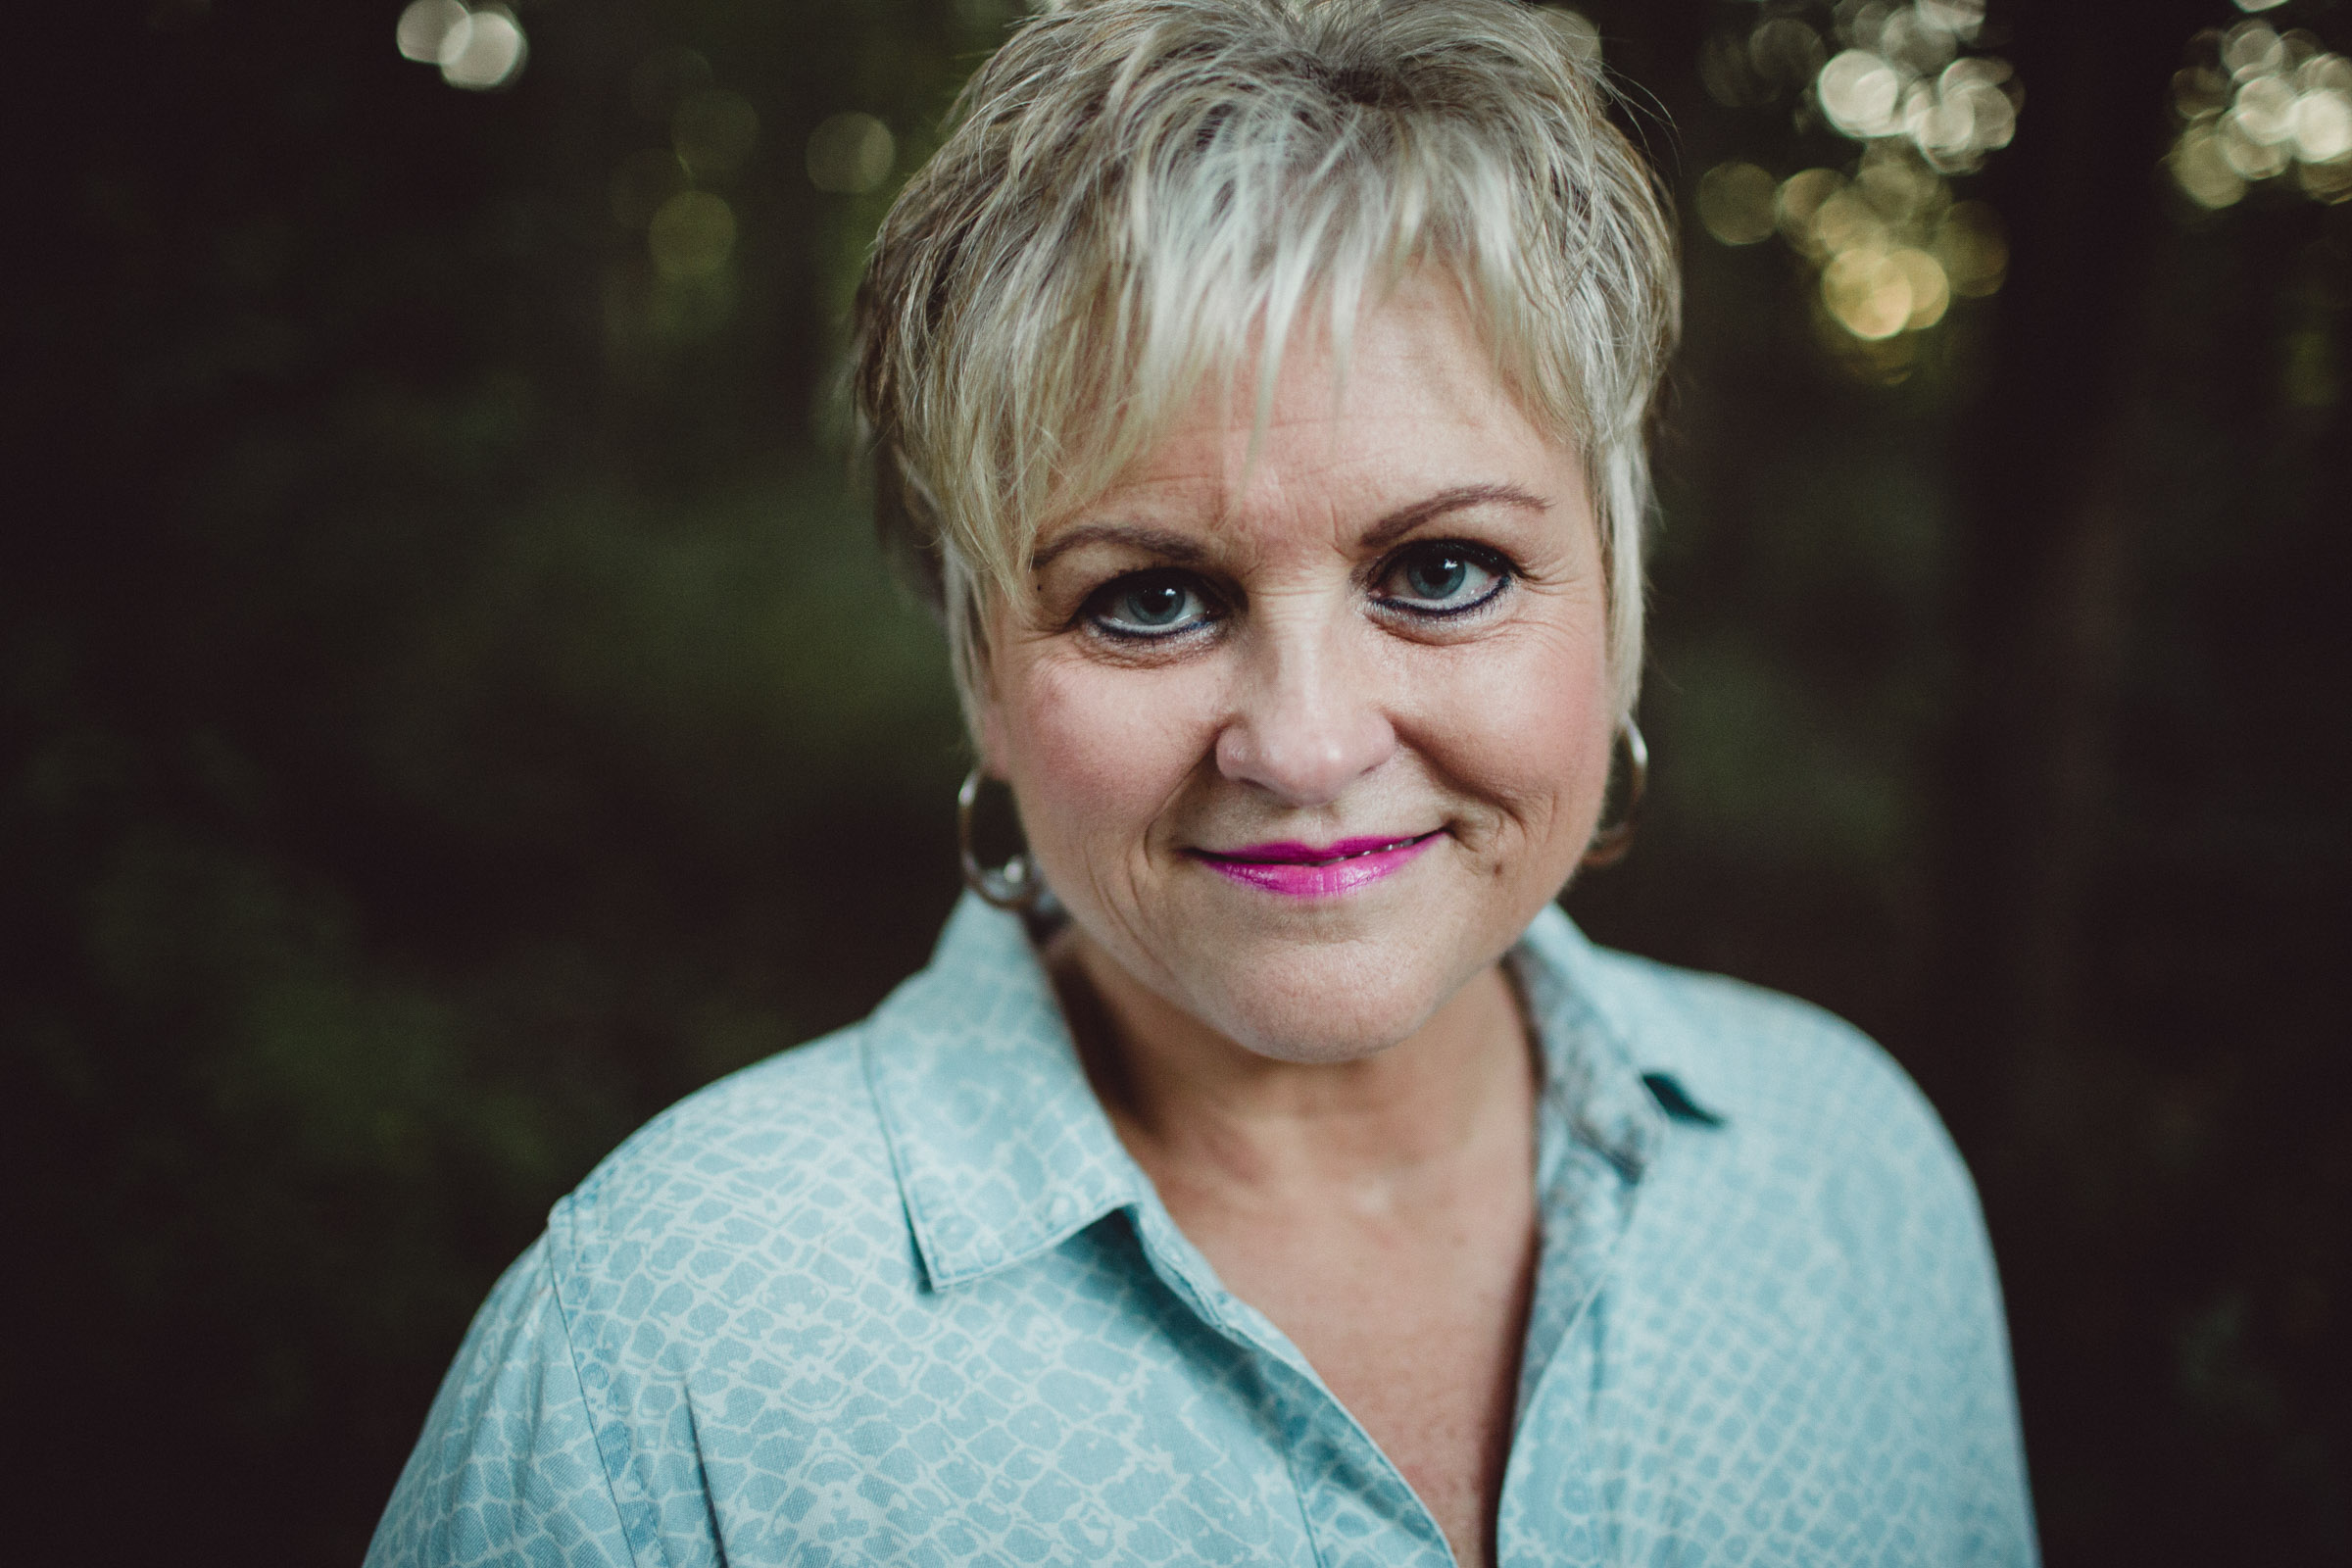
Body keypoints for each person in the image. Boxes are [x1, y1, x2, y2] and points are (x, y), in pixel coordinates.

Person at [368, 1, 2037, 1563]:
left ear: (1618, 600)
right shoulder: (667, 1343)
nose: (1307, 746)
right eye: (1149, 598)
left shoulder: (1850, 1173)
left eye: (1443, 571)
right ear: (984, 679)